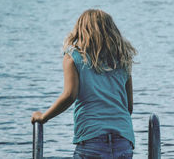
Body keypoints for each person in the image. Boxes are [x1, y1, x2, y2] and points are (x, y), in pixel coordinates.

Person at [31, 9, 137, 158]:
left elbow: (69, 95)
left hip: (92, 139)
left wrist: (43, 117)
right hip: (123, 140)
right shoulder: (122, 60)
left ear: (81, 30)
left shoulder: (73, 57)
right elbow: (128, 107)